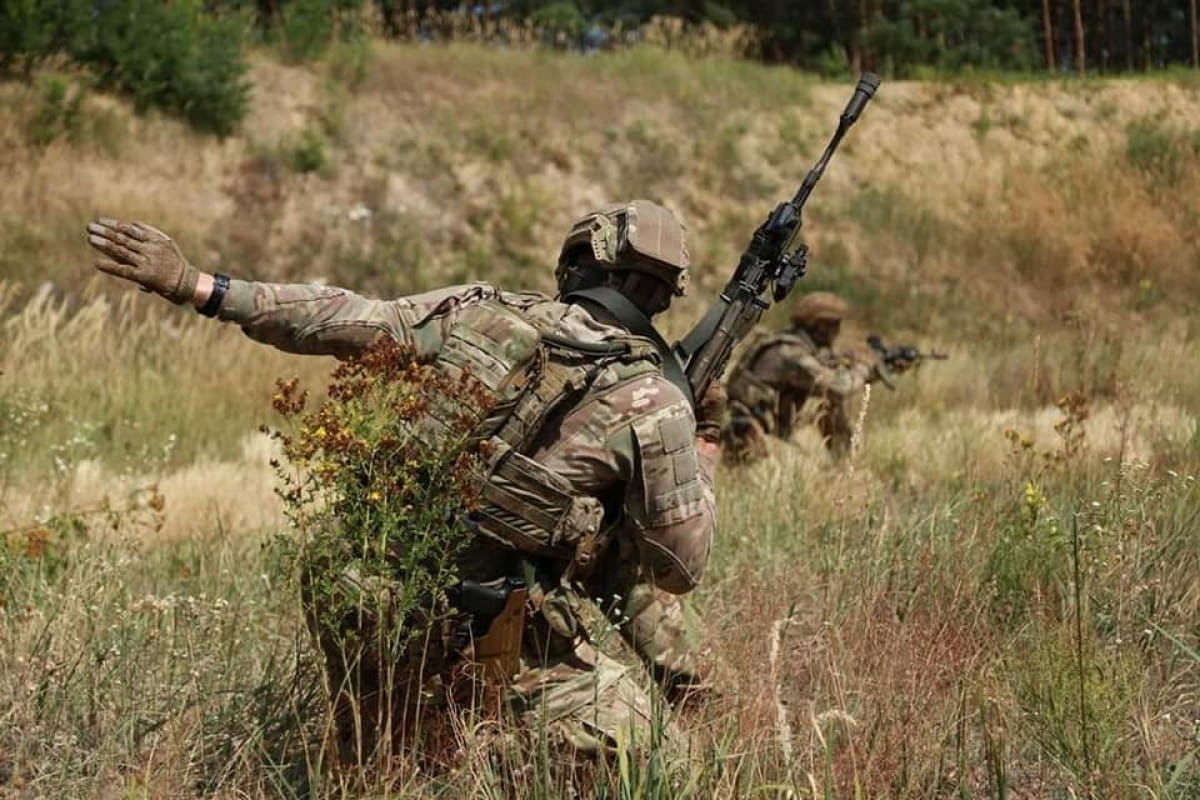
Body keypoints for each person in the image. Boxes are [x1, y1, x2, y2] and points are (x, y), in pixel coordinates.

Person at [85, 200, 719, 760]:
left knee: (376, 752)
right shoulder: (655, 400)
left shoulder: (480, 310)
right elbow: (677, 568)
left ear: (572, 263)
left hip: (357, 583)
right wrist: (702, 443)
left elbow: (343, 317)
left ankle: (389, 753)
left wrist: (197, 284)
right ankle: (482, 752)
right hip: (492, 622)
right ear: (662, 298)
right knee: (668, 763)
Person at [723, 291, 888, 463]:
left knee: (827, 406)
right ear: (820, 326)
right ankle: (846, 466)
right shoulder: (790, 353)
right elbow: (840, 387)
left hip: (761, 433)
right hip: (747, 439)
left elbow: (828, 372)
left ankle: (844, 464)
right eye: (834, 324)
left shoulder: (790, 344)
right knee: (813, 471)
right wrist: (863, 366)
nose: (838, 331)